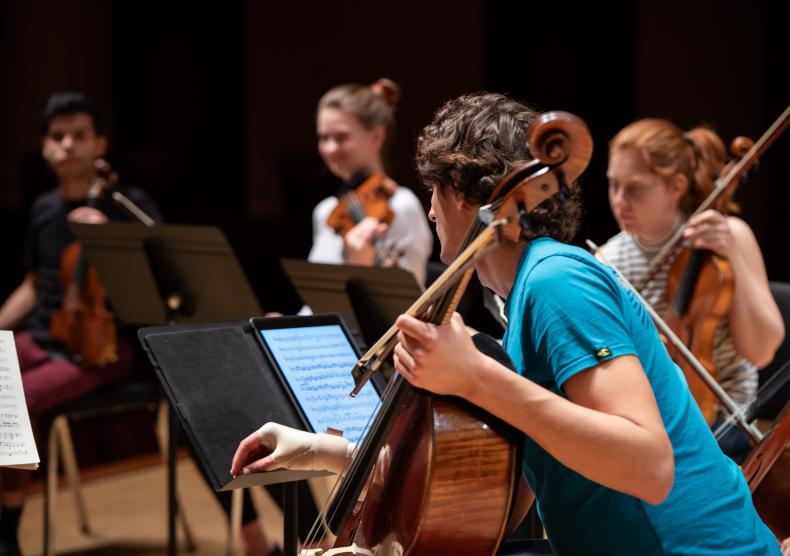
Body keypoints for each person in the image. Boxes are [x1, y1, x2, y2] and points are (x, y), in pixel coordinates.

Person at [232, 93, 781, 555]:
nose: (429, 210)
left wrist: (477, 378)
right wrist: (325, 452)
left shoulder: (555, 281)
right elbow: (494, 491)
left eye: (436, 190)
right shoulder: (519, 302)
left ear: (472, 195)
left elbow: (650, 465)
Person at [0, 92, 163, 555]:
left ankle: (8, 521)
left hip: (101, 350)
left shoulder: (127, 204)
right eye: (57, 137)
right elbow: (34, 285)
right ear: (45, 147)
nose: (67, 145)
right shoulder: (45, 209)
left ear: (100, 144)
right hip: (44, 336)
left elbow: (158, 277)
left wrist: (111, 236)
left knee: (16, 396)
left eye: (79, 135)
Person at [600, 118, 784, 461]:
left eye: (635, 188)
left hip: (727, 423)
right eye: (613, 185)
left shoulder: (726, 236)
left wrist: (733, 259)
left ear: (677, 186)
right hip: (652, 421)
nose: (619, 200)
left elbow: (761, 351)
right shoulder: (608, 260)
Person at [309, 78, 432, 285]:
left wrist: (361, 267)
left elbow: (408, 301)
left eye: (341, 137)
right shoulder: (325, 211)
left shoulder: (400, 205)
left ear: (376, 136)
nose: (330, 148)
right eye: (323, 138)